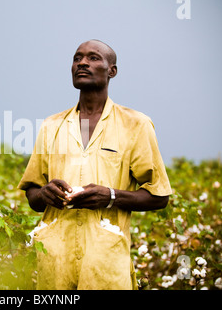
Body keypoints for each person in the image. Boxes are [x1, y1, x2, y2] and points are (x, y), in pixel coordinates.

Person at [18, 39, 172, 290]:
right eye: (77, 58)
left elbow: (159, 197)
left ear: (112, 71)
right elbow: (32, 195)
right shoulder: (51, 126)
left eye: (93, 58)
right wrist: (45, 194)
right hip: (55, 261)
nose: (82, 63)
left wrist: (110, 196)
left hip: (105, 262)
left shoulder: (136, 124)